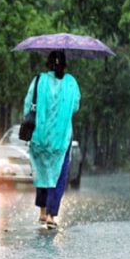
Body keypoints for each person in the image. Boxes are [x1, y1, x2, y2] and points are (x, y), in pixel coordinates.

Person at [24, 50, 80, 229]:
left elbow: (27, 105)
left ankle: (41, 211)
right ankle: (50, 215)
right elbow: (75, 107)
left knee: (43, 172)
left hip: (40, 137)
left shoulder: (39, 80)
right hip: (62, 139)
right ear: (65, 65)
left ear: (48, 63)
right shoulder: (71, 83)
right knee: (58, 176)